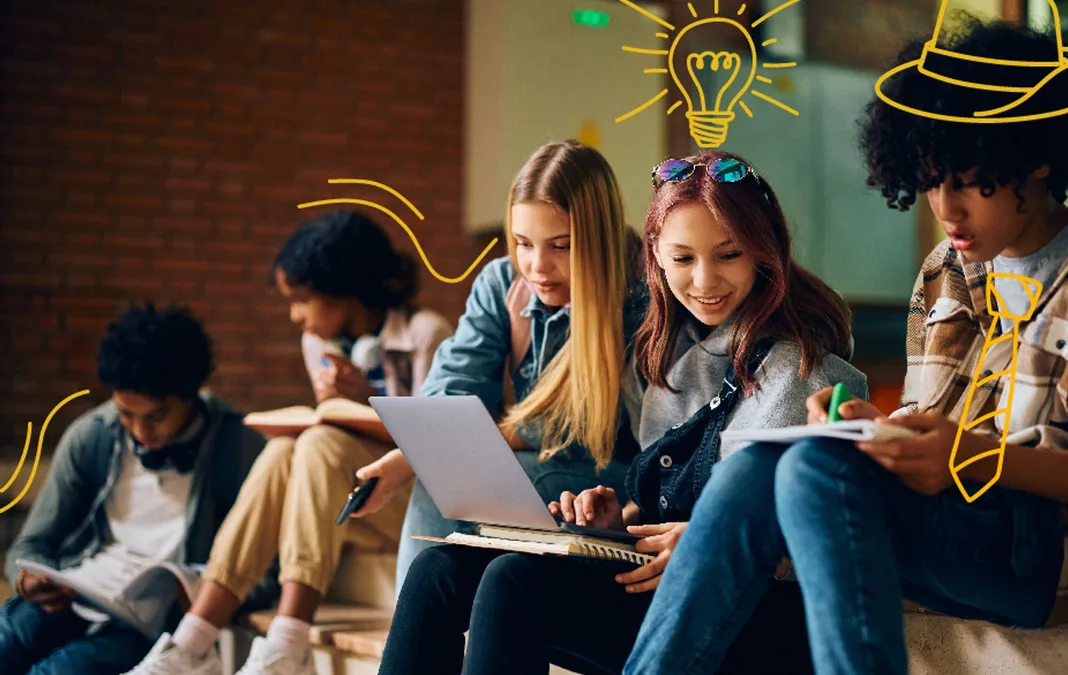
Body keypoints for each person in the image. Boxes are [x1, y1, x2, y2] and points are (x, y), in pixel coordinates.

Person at [623, 17, 1068, 675]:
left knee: (812, 472)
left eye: (968, 180)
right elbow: (928, 440)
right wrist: (876, 434)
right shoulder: (945, 272)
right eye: (929, 181)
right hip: (967, 524)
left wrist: (961, 456)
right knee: (767, 465)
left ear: (1038, 157)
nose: (946, 208)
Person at [377, 150, 868, 674]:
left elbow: (829, 539)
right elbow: (662, 511)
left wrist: (719, 544)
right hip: (665, 580)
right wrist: (617, 523)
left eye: (727, 255)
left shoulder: (805, 369)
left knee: (513, 583)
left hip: (754, 610)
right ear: (655, 256)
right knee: (440, 569)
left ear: (764, 253)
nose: (704, 280)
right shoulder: (668, 357)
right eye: (683, 259)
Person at [124, 210, 453, 675]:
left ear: (344, 288)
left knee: (319, 445)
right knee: (284, 450)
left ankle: (286, 642)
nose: (295, 315)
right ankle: (191, 642)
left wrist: (371, 399)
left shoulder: (427, 335)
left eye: (302, 299)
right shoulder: (318, 343)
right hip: (350, 498)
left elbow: (441, 447)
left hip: (410, 501)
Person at [353, 140, 649, 588]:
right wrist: (415, 454)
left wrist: (497, 430)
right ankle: (419, 641)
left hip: (610, 481)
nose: (537, 265)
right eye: (522, 242)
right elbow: (450, 394)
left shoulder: (642, 294)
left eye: (561, 246)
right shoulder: (502, 281)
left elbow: (582, 430)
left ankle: (428, 642)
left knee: (461, 481)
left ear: (598, 236)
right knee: (444, 477)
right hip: (531, 461)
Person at [1, 304, 268, 675]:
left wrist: (200, 593)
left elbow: (269, 572)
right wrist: (29, 577)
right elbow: (31, 544)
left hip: (144, 625)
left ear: (191, 395)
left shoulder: (240, 448)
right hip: (71, 596)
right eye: (127, 413)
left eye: (156, 416)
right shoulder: (93, 434)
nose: (140, 433)